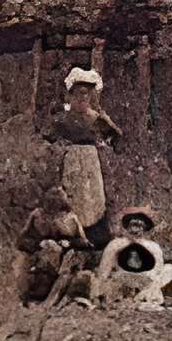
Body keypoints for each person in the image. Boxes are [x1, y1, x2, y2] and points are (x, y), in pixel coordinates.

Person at [46, 66, 123, 229]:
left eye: (86, 93)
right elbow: (49, 138)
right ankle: (73, 230)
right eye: (79, 92)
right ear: (71, 94)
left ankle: (93, 231)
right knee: (73, 195)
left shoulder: (95, 118)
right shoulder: (62, 119)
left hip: (91, 160)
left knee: (93, 196)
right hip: (72, 160)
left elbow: (115, 136)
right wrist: (60, 149)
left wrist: (105, 137)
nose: (83, 97)